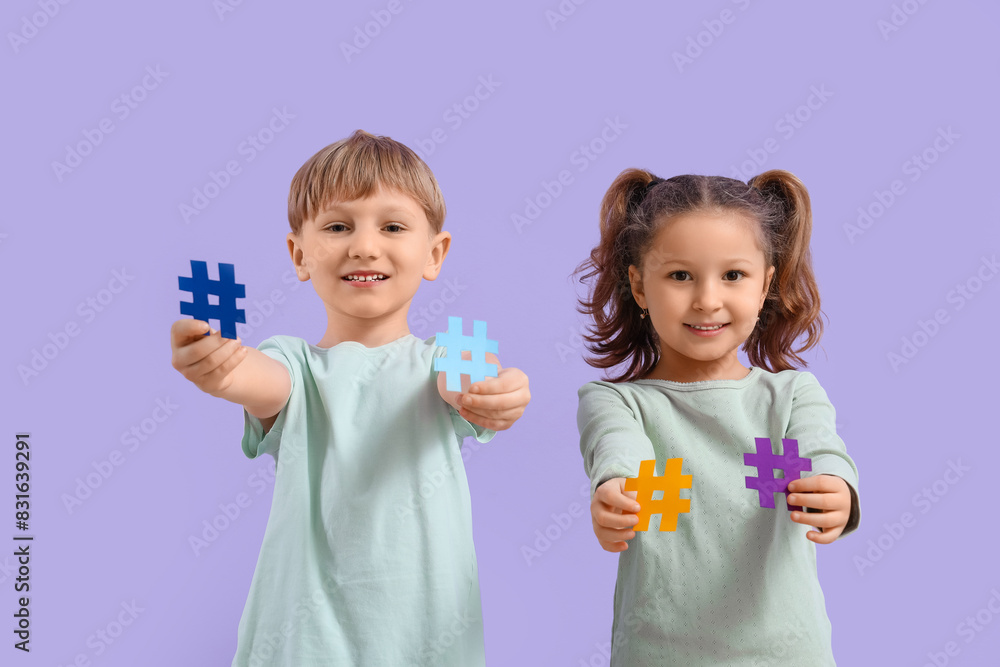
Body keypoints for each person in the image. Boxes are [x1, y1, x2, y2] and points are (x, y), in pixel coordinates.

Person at [170, 129, 530, 666]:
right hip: (303, 639)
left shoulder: (447, 351)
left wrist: (496, 391)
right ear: (299, 254)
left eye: (392, 226)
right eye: (338, 226)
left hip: (425, 634)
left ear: (435, 253)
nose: (364, 245)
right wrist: (214, 359)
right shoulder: (292, 363)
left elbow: (466, 380)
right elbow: (252, 377)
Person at [575, 168, 860, 665]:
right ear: (640, 287)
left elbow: (823, 455)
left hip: (788, 653)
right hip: (658, 654)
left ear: (766, 284)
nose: (708, 300)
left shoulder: (791, 396)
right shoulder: (618, 402)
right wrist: (615, 494)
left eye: (733, 275)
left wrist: (839, 492)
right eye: (680, 275)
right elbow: (620, 456)